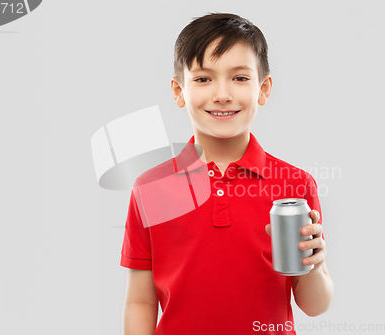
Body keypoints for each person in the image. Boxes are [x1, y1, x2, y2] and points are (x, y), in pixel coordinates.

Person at [121, 12, 334, 335]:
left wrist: (314, 266)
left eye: (240, 78)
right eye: (204, 79)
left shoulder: (294, 184)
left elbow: (314, 305)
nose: (222, 94)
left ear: (264, 89)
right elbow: (140, 301)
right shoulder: (151, 187)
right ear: (179, 91)